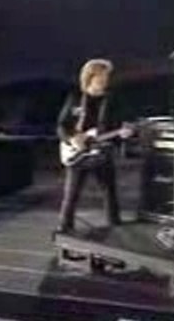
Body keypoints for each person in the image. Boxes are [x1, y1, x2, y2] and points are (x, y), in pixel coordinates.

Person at [55, 58, 134, 236]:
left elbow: (119, 125)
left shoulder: (111, 100)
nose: (105, 80)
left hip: (102, 151)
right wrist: (71, 139)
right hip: (77, 153)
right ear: (90, 77)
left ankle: (117, 228)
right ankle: (65, 229)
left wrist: (123, 134)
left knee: (109, 192)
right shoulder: (76, 98)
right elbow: (61, 125)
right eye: (101, 77)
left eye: (106, 77)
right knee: (71, 194)